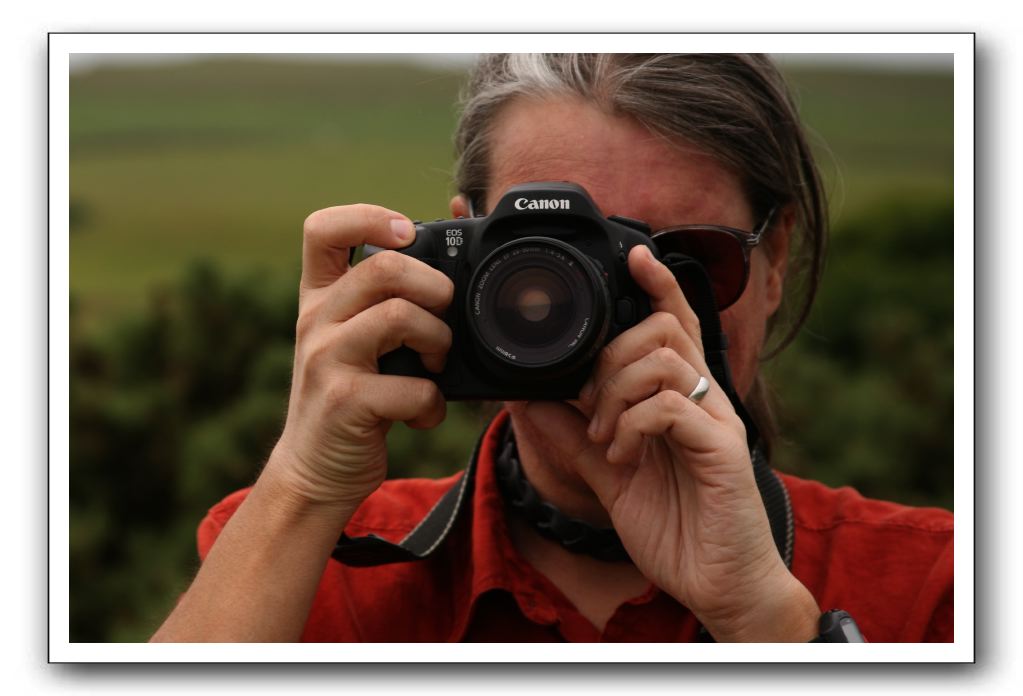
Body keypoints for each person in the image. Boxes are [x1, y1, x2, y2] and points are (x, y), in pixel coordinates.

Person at [151, 54, 953, 643]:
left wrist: (765, 618)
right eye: (547, 264)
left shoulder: (930, 589)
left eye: (683, 263)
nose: (611, 311)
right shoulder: (305, 559)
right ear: (462, 260)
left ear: (774, 262)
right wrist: (300, 485)